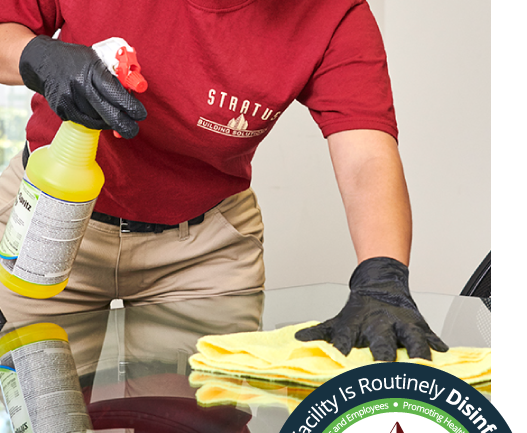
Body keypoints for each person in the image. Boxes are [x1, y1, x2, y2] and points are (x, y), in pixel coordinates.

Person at [0, 0, 448, 361]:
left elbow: (366, 154)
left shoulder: (335, 14)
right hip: (47, 220)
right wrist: (37, 56)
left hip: (202, 253)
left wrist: (382, 274)